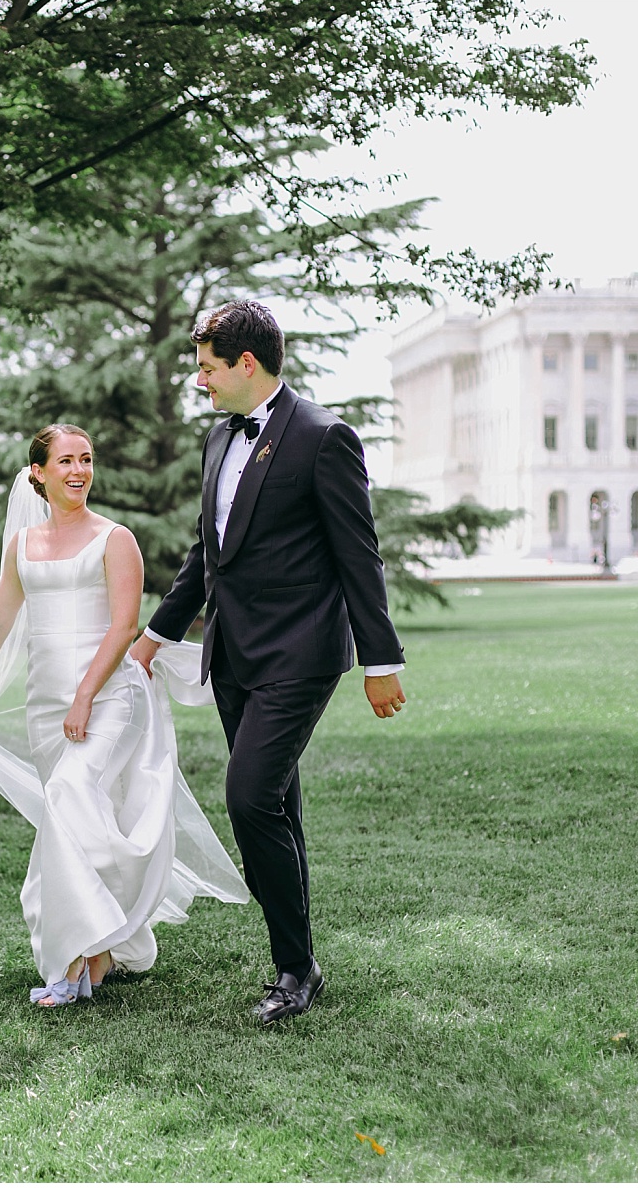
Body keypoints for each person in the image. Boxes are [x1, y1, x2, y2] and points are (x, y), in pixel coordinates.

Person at [129, 300, 407, 1027]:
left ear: (245, 363)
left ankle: (295, 966)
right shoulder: (218, 441)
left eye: (207, 367)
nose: (200, 380)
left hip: (301, 654)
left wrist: (381, 659)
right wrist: (156, 633)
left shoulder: (323, 436)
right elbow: (207, 553)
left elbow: (359, 555)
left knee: (249, 796)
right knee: (278, 804)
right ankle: (301, 960)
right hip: (234, 655)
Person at [0, 424, 249, 1008]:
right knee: (82, 819)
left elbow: (122, 626)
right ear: (38, 473)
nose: (79, 471)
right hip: (45, 705)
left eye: (86, 459)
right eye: (65, 461)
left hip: (112, 698)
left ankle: (73, 957)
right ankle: (113, 936)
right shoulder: (24, 546)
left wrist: (87, 693)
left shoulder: (116, 539)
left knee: (68, 799)